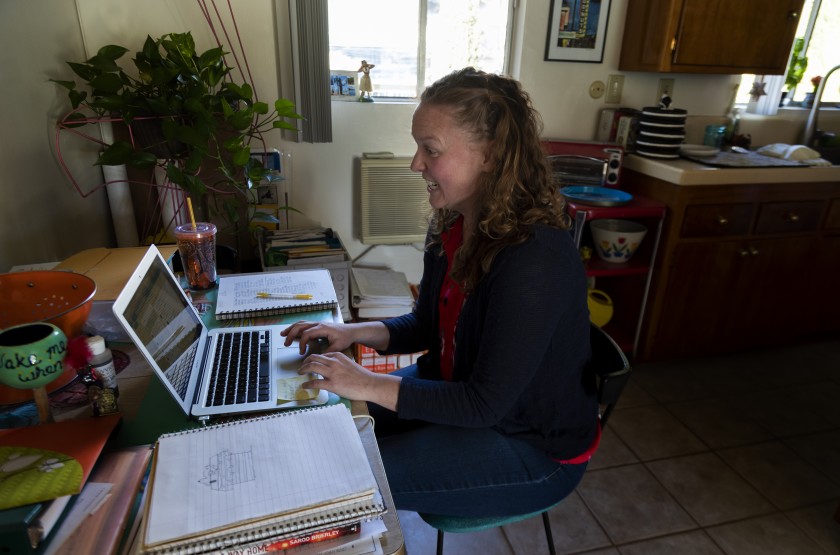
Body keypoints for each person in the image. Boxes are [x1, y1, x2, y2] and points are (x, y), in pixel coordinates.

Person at [281, 67, 599, 518]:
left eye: (430, 149)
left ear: (490, 155)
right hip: (459, 394)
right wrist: (351, 333)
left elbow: (483, 404)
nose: (416, 164)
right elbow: (424, 326)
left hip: (531, 445)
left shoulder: (534, 259)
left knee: (343, 474)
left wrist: (367, 382)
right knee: (328, 424)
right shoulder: (451, 223)